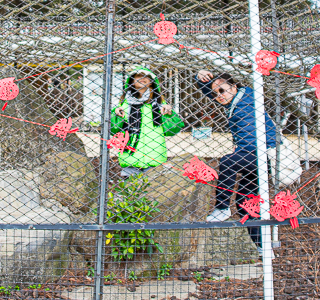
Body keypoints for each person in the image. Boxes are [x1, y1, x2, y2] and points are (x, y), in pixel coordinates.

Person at [195, 70, 277, 242]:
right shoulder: (233, 102)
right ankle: (261, 245)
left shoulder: (248, 97)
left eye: (222, 90)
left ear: (233, 87)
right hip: (250, 155)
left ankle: (222, 207)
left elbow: (251, 134)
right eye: (215, 93)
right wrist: (200, 77)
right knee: (245, 201)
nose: (219, 96)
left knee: (227, 161)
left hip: (262, 152)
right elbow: (209, 90)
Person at [110, 66, 184, 178]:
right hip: (130, 158)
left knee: (152, 193)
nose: (142, 78)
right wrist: (116, 115)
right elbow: (114, 129)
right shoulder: (124, 105)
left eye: (146, 76)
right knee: (131, 191)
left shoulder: (160, 105)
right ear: (132, 82)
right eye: (137, 76)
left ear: (151, 82)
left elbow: (173, 130)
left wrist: (169, 115)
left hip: (154, 158)